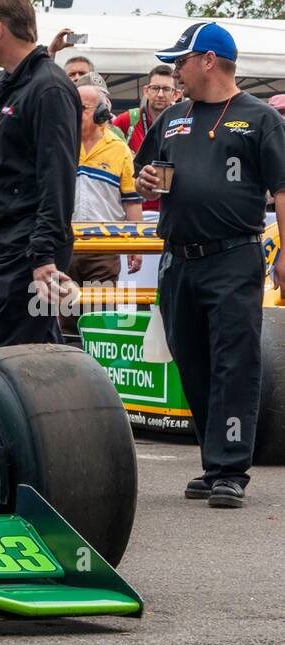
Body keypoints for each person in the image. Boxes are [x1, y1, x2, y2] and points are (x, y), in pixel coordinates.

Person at [135, 22, 285, 508]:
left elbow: (282, 189)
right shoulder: (174, 116)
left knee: (234, 363)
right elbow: (144, 170)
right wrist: (144, 183)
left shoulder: (259, 118)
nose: (174, 71)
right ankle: (213, 458)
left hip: (233, 255)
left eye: (181, 61)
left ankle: (230, 469)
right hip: (177, 258)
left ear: (208, 60)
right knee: (192, 361)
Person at [0, 0, 79, 349]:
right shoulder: (15, 85)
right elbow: (0, 176)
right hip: (10, 246)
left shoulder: (48, 87)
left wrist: (43, 257)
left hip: (28, 251)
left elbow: (58, 178)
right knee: (34, 360)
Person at [63, 79, 142, 332]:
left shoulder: (119, 149)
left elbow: (131, 200)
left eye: (82, 107)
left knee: (100, 323)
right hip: (66, 246)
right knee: (65, 322)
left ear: (99, 113)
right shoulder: (61, 143)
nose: (73, 112)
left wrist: (135, 244)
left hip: (104, 250)